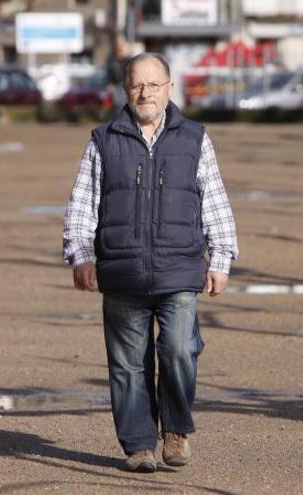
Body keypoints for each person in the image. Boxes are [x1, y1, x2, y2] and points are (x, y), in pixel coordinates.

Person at [62, 52, 238, 472]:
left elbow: (214, 200)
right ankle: (139, 444)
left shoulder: (195, 138)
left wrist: (222, 258)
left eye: (154, 84)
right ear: (125, 91)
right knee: (127, 364)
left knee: (179, 350)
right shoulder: (103, 140)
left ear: (170, 89)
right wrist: (81, 255)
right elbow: (82, 203)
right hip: (122, 271)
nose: (146, 93)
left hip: (180, 267)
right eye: (138, 85)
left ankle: (175, 430)